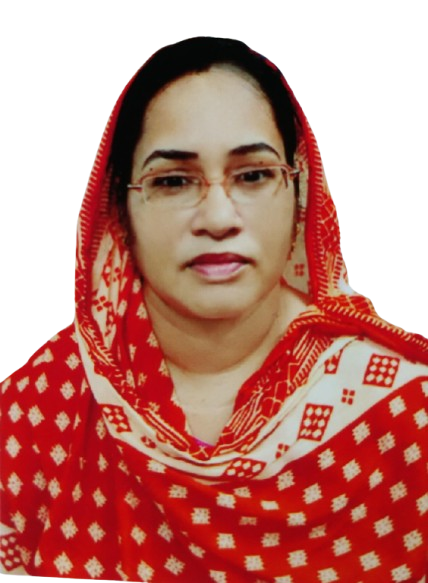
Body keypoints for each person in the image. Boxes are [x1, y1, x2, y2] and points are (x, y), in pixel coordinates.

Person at [1, 36, 427, 582]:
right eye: (173, 181)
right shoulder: (40, 411)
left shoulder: (405, 414)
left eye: (253, 175)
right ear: (120, 210)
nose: (219, 217)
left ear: (298, 192)